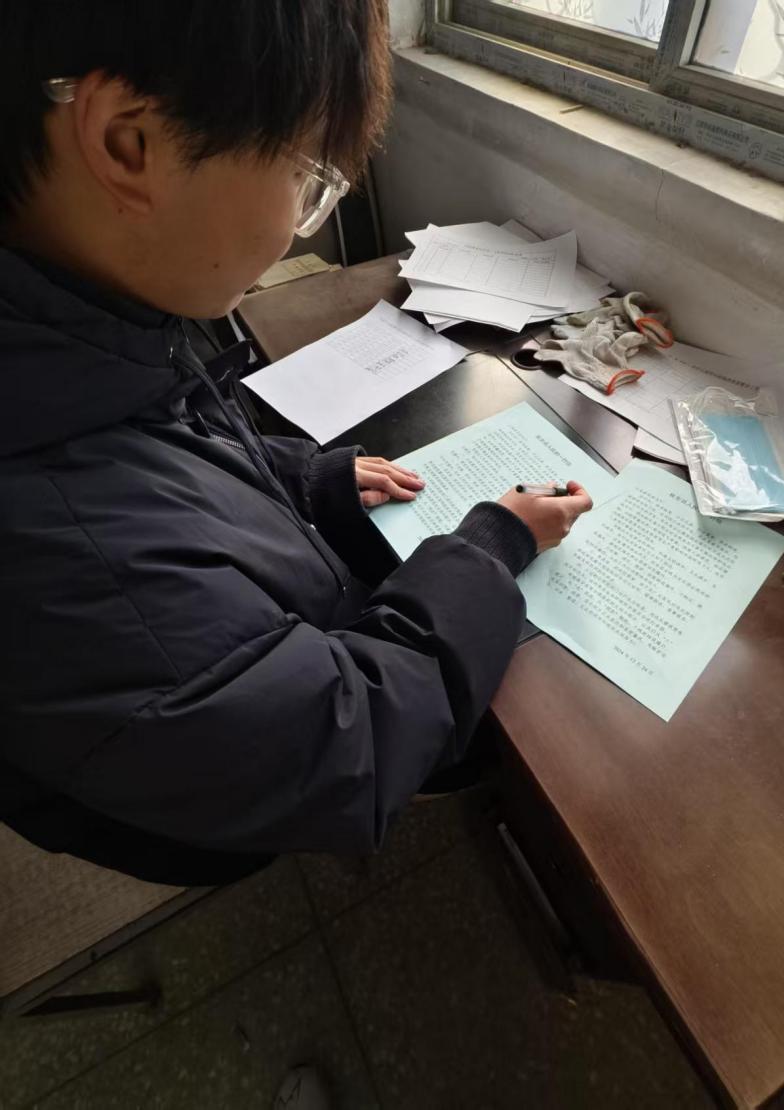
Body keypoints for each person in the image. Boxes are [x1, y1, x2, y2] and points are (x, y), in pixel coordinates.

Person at [0, 0, 593, 887]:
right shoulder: (59, 553)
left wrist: (305, 477)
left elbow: (163, 448)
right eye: (306, 176)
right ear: (130, 143)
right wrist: (488, 549)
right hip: (215, 816)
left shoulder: (82, 319)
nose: (299, 223)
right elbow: (352, 746)